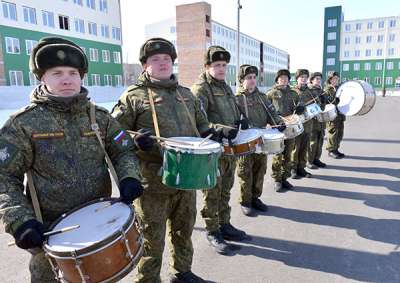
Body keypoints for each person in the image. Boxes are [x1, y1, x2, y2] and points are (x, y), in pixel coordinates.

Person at [0, 37, 143, 283]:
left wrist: (129, 177)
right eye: (56, 73)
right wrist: (20, 221)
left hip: (99, 225)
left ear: (81, 76)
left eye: (73, 72)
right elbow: (5, 177)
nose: (67, 79)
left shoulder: (99, 117)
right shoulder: (22, 124)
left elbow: (123, 151)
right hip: (49, 232)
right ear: (42, 78)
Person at [111, 38, 215, 283]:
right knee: (151, 239)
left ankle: (182, 273)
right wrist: (134, 142)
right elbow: (114, 135)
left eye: (166, 59)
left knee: (184, 230)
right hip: (152, 183)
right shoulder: (132, 97)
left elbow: (201, 125)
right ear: (145, 65)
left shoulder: (186, 94)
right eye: (155, 60)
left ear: (172, 63)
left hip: (187, 178)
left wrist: (212, 132)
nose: (162, 63)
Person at [191, 46, 249, 255]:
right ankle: (212, 231)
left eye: (224, 65)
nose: (222, 69)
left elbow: (233, 109)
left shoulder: (224, 86)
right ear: (207, 66)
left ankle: (225, 224)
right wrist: (220, 129)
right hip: (212, 151)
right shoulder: (201, 89)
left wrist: (240, 118)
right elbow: (200, 122)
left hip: (228, 149)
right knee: (212, 193)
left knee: (225, 190)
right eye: (217, 65)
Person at [235, 65, 285, 216]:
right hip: (245, 142)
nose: (252, 80)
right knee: (246, 171)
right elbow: (231, 120)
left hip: (261, 140)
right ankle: (246, 201)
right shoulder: (236, 99)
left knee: (260, 170)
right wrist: (238, 124)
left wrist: (279, 122)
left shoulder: (262, 97)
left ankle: (256, 197)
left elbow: (272, 112)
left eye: (254, 77)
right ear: (241, 80)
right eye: (248, 78)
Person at [266, 69, 304, 192]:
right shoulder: (271, 94)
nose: (284, 80)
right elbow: (266, 110)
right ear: (277, 80)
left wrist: (300, 108)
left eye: (286, 78)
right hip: (277, 128)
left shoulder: (293, 93)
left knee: (288, 154)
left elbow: (300, 105)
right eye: (281, 78)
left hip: (290, 127)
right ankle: (277, 179)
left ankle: (284, 178)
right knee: (278, 155)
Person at [290, 69, 317, 179]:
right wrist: (296, 110)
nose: (304, 79)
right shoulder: (292, 92)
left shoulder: (310, 91)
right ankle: (293, 169)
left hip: (308, 124)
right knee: (295, 148)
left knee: (304, 148)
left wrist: (322, 101)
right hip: (296, 125)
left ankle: (301, 168)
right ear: (297, 79)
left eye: (306, 77)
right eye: (301, 77)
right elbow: (287, 109)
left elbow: (318, 106)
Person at [307, 72, 327, 169]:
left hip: (321, 120)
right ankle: (309, 161)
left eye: (320, 79)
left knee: (320, 141)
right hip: (313, 121)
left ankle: (316, 159)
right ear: (311, 80)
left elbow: (323, 107)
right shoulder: (309, 90)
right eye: (316, 79)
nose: (318, 80)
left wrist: (324, 100)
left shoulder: (321, 90)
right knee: (312, 141)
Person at [324, 71, 346, 158]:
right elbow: (327, 102)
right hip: (332, 115)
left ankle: (336, 149)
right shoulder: (327, 89)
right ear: (330, 79)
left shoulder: (340, 88)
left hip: (340, 114)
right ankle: (331, 150)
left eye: (337, 78)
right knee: (333, 133)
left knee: (340, 133)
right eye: (333, 78)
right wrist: (334, 101)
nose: (336, 80)